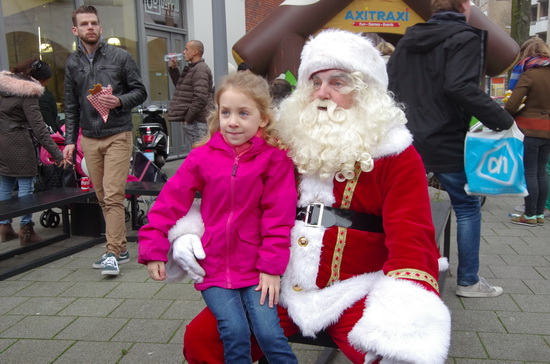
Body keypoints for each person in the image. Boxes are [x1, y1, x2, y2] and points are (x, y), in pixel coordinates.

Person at [167, 29, 451, 363]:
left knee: (396, 355)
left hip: (357, 288)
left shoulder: (395, 155)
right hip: (279, 284)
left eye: (338, 82)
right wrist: (188, 232)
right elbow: (228, 195)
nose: (322, 93)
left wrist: (404, 315)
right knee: (203, 340)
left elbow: (412, 237)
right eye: (315, 82)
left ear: (366, 91)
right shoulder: (284, 143)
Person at [138, 71, 298, 363]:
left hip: (256, 267)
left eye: (243, 113)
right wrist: (153, 248)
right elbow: (168, 204)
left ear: (262, 118)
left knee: (268, 333)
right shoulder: (203, 157)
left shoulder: (275, 160)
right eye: (226, 112)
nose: (233, 121)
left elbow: (279, 218)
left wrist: (272, 267)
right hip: (212, 267)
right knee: (233, 331)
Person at [387, 0, 514, 298]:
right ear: (465, 7)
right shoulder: (464, 38)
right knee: (467, 206)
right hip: (445, 138)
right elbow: (459, 87)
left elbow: (388, 85)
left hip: (403, 137)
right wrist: (502, 120)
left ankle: (399, 275)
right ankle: (468, 281)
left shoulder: (408, 41)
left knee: (402, 207)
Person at [63, 5, 147, 276]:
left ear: (100, 28)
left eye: (94, 23)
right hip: (89, 137)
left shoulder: (120, 57)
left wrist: (120, 100)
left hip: (118, 135)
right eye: (84, 24)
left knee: (112, 193)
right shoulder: (72, 63)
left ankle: (112, 253)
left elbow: (140, 91)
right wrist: (69, 140)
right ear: (76, 30)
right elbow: (71, 105)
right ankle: (121, 247)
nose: (90, 27)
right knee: (102, 195)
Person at [0, 58, 66, 244]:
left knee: (5, 183)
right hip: (19, 143)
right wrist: (57, 154)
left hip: (2, 141)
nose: (45, 84)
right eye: (45, 80)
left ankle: (4, 227)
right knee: (26, 186)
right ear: (36, 78)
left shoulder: (4, 88)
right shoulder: (28, 93)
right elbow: (39, 128)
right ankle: (26, 230)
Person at [504, 37, 550, 226]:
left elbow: (513, 103)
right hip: (549, 131)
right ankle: (539, 213)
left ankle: (529, 215)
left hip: (530, 129)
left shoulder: (530, 74)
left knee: (530, 172)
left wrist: (506, 116)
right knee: (542, 172)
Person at [167, 40, 213, 148]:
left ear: (195, 52)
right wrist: (173, 68)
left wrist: (188, 118)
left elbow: (200, 98)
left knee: (200, 153)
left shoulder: (200, 68)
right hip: (195, 120)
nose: (183, 52)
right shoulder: (194, 68)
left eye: (186, 49)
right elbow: (182, 87)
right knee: (199, 153)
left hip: (198, 121)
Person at [31, 61, 62, 134]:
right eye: (47, 81)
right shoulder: (43, 96)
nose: (47, 83)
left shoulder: (19, 94)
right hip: (43, 134)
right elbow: (49, 117)